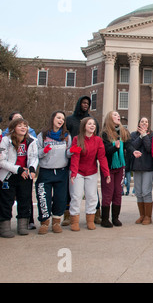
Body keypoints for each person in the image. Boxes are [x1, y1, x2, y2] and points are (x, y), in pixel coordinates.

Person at [64, 96, 101, 226]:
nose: (85, 105)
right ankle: (68, 215)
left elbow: (96, 138)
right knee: (73, 192)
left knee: (92, 193)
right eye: (83, 103)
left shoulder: (93, 120)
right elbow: (64, 136)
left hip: (89, 162)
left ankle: (96, 213)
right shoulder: (69, 120)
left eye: (87, 103)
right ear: (79, 103)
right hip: (74, 156)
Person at [100, 111, 141, 228]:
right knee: (108, 193)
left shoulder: (123, 132)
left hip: (120, 167)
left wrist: (133, 151)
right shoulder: (104, 134)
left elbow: (128, 145)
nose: (118, 116)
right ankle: (105, 219)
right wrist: (115, 147)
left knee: (118, 192)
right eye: (115, 115)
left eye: (118, 115)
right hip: (108, 167)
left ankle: (115, 218)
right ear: (109, 118)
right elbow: (105, 151)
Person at [69, 117, 111, 231]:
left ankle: (90, 220)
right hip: (78, 172)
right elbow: (75, 157)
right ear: (84, 126)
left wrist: (106, 173)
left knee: (92, 196)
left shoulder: (98, 140)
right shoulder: (77, 139)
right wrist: (73, 173)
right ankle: (74, 220)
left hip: (91, 172)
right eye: (89, 124)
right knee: (76, 196)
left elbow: (102, 157)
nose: (92, 126)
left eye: (94, 124)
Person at [0, 118, 39, 238]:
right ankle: (4, 226)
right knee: (6, 201)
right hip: (9, 174)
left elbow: (34, 157)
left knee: (25, 199)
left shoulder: (31, 141)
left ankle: (22, 225)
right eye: (20, 126)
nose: (23, 128)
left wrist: (32, 168)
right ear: (13, 128)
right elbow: (1, 161)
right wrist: (18, 169)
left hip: (25, 175)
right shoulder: (6, 141)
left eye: (25, 126)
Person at [35, 111, 72, 234]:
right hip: (46, 171)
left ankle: (56, 221)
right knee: (43, 197)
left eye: (62, 119)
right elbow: (37, 153)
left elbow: (67, 153)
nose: (60, 120)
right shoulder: (43, 135)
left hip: (61, 171)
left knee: (60, 198)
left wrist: (72, 151)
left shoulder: (66, 135)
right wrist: (44, 151)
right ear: (53, 119)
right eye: (58, 117)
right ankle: (45, 222)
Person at [130, 117, 153, 225]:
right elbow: (133, 146)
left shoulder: (152, 135)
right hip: (137, 167)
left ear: (148, 124)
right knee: (139, 192)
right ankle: (142, 215)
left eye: (146, 121)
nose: (144, 123)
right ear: (139, 123)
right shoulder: (133, 135)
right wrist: (140, 136)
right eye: (142, 121)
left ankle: (148, 216)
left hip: (148, 167)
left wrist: (145, 135)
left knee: (146, 191)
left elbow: (149, 148)